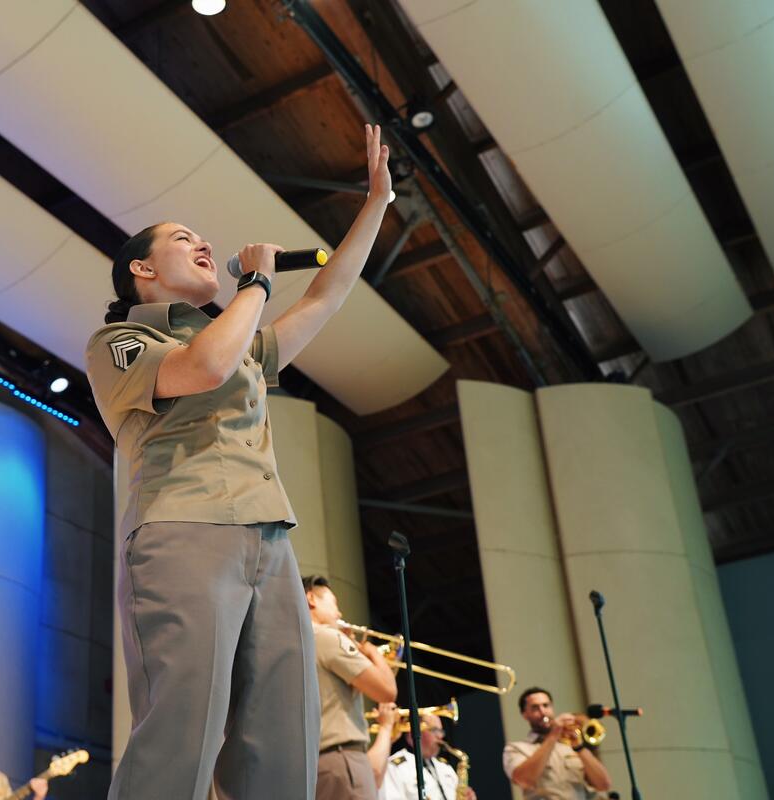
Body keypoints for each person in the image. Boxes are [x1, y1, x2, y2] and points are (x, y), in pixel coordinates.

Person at [86, 126, 393, 800]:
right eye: (182, 239)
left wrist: (376, 203)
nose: (203, 244)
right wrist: (254, 281)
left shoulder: (243, 341)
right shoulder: (121, 339)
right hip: (183, 532)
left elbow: (325, 296)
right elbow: (204, 366)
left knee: (281, 751)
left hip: (269, 542)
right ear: (141, 269)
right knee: (181, 738)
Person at [304, 574, 398, 800]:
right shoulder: (327, 638)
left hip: (317, 766)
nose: (339, 613)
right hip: (342, 760)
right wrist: (370, 651)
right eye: (334, 604)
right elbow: (387, 691)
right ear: (311, 599)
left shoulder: (299, 641)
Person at [503, 687, 612, 799]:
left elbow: (604, 785)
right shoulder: (517, 748)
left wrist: (578, 747)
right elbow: (525, 780)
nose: (543, 711)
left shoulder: (570, 745)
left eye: (546, 705)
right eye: (535, 708)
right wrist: (553, 735)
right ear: (525, 714)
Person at [372, 703, 477, 800]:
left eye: (441, 731)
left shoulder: (445, 767)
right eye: (434, 730)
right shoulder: (394, 767)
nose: (440, 736)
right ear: (413, 732)